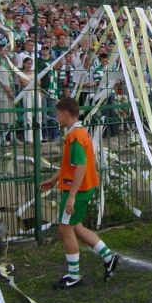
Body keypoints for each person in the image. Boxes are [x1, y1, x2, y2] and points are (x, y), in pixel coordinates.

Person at [39, 97, 120, 288]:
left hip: (78, 189)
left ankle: (74, 275)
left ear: (66, 114)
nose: (56, 118)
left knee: (64, 230)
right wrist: (54, 179)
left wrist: (72, 196)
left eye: (58, 114)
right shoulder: (81, 132)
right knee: (76, 227)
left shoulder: (74, 136)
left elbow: (80, 167)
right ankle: (109, 257)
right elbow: (71, 164)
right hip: (86, 186)